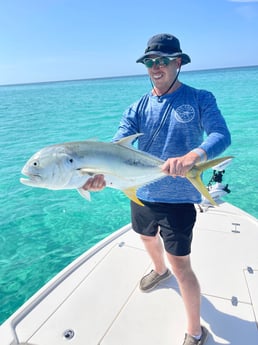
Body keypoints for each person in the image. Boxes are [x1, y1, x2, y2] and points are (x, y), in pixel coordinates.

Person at [83, 33, 231, 345]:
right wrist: (98, 174)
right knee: (146, 237)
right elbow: (116, 146)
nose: (156, 67)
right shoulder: (136, 107)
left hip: (177, 201)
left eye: (163, 60)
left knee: (182, 267)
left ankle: (195, 331)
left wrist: (194, 156)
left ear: (178, 62)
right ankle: (158, 270)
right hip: (140, 192)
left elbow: (220, 134)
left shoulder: (200, 98)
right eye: (150, 62)